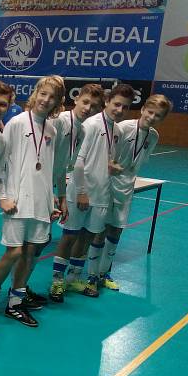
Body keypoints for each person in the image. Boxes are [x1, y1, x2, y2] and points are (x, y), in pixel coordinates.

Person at [0, 75, 64, 328]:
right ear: (35, 93)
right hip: (16, 200)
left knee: (30, 255)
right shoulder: (16, 123)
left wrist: (51, 202)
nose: (46, 100)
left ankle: (15, 304)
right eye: (43, 94)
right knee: (14, 252)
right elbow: (1, 164)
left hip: (41, 202)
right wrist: (2, 197)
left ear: (57, 101)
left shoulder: (52, 129)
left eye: (52, 97)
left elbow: (47, 168)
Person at [89, 94, 171, 290]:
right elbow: (104, 154)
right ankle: (92, 276)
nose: (152, 117)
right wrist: (109, 165)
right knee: (100, 230)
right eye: (150, 112)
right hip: (107, 184)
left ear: (162, 119)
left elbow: (138, 162)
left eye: (157, 115)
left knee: (116, 230)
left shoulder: (153, 136)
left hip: (126, 188)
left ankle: (104, 273)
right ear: (143, 109)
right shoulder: (122, 128)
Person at [64, 83, 135, 298]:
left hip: (100, 192)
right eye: (117, 104)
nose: (120, 110)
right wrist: (82, 191)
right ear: (107, 102)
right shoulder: (92, 124)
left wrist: (109, 165)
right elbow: (78, 161)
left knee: (86, 237)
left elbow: (101, 156)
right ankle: (60, 280)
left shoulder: (115, 128)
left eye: (125, 107)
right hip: (83, 191)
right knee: (70, 237)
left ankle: (74, 277)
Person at [46, 84, 105, 302]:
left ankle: (66, 280)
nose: (88, 108)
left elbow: (63, 167)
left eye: (95, 106)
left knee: (37, 244)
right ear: (77, 98)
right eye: (86, 102)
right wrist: (48, 191)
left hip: (55, 188)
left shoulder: (81, 128)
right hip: (40, 188)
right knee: (28, 246)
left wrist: (60, 194)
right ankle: (15, 293)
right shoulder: (60, 121)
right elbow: (44, 157)